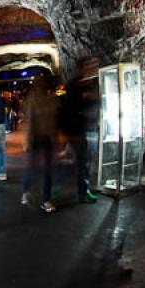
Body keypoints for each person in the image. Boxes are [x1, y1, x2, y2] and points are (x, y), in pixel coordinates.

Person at [21, 75, 60, 213]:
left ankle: (45, 200)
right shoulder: (33, 100)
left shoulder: (52, 99)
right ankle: (26, 190)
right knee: (32, 167)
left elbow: (54, 120)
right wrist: (27, 141)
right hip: (35, 138)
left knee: (47, 170)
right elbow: (29, 121)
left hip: (47, 139)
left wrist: (55, 139)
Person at [62, 58, 99, 204]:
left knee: (87, 160)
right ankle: (83, 192)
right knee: (82, 161)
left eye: (95, 65)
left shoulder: (93, 82)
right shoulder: (74, 85)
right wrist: (85, 97)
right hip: (77, 130)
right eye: (90, 65)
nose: (93, 68)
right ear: (81, 68)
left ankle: (87, 187)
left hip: (91, 127)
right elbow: (69, 108)